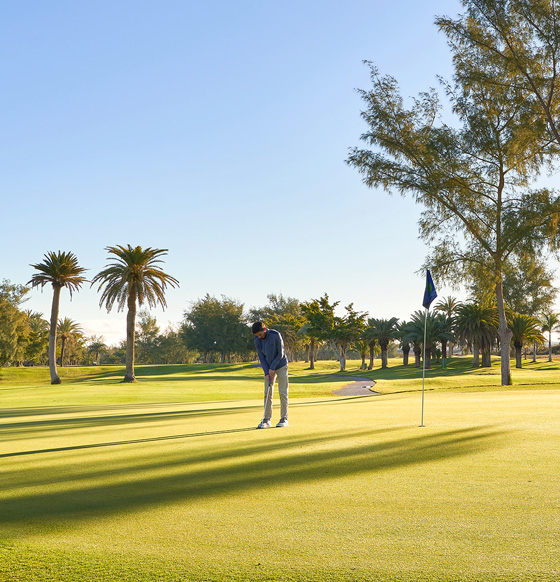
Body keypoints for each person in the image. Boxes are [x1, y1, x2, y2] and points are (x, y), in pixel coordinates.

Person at [252, 321, 289, 428]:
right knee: (267, 393)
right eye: (256, 336)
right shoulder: (257, 340)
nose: (258, 337)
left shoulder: (275, 335)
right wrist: (266, 372)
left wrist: (272, 367)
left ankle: (284, 419)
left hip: (281, 365)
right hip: (268, 368)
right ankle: (266, 419)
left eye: (259, 334)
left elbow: (280, 353)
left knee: (283, 392)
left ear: (264, 330)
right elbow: (261, 357)